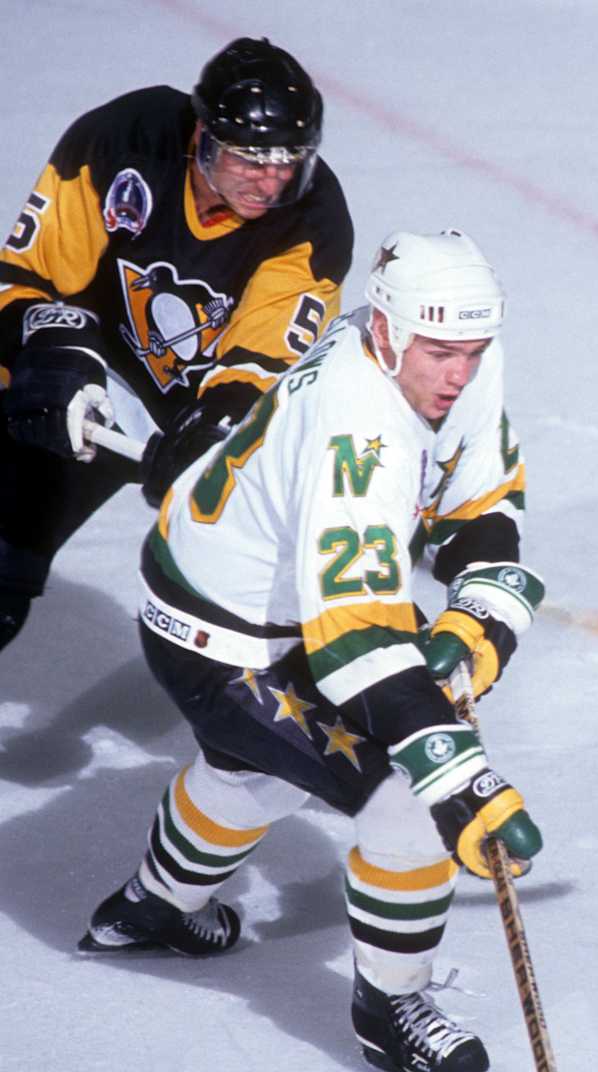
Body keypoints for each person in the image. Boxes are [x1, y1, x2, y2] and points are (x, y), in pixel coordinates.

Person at [78, 229, 545, 1072]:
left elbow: (479, 495)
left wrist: (481, 612)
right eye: (442, 353)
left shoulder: (432, 351)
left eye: (473, 352)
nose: (460, 375)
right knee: (405, 804)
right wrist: (461, 779)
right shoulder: (357, 429)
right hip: (226, 636)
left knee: (256, 770)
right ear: (388, 335)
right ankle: (390, 1014)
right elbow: (356, 640)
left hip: (252, 592)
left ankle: (151, 909)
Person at [0, 36, 353, 654]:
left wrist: (214, 429)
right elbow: (25, 278)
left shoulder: (312, 223)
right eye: (250, 159)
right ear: (202, 138)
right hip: (78, 371)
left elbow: (256, 367)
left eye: (288, 161)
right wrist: (50, 350)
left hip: (173, 416)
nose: (270, 183)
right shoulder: (122, 139)